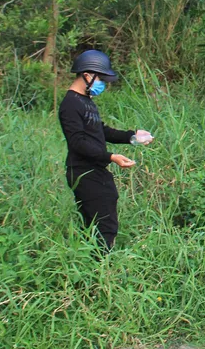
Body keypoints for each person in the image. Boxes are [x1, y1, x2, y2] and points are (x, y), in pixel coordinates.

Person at [58, 50, 152, 252]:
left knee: (101, 219)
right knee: (103, 225)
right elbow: (78, 142)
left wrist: (132, 136)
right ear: (87, 75)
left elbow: (100, 130)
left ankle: (94, 266)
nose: (103, 85)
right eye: (101, 78)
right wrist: (110, 156)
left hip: (96, 170)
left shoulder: (86, 101)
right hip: (83, 172)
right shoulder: (70, 104)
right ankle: (99, 269)